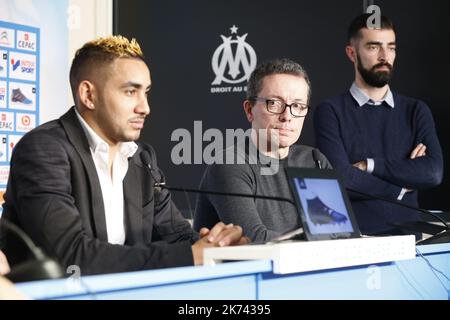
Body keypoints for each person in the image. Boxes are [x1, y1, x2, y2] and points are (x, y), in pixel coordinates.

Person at [0, 36, 247, 276]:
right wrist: (191, 255)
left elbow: (178, 236)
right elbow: (71, 257)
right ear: (88, 95)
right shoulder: (43, 150)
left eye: (146, 92)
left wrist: (217, 247)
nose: (145, 108)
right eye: (130, 92)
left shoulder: (142, 158)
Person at [314, 14, 443, 237]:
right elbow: (341, 178)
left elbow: (432, 172)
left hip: (411, 242)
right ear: (352, 53)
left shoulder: (415, 110)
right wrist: (400, 186)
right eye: (374, 47)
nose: (385, 56)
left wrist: (368, 166)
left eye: (391, 47)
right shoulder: (330, 111)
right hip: (353, 241)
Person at [194, 59, 332, 243]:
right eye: (274, 103)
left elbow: (338, 231)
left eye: (298, 106)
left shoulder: (315, 161)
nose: (287, 116)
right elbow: (256, 240)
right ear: (249, 110)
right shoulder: (230, 164)